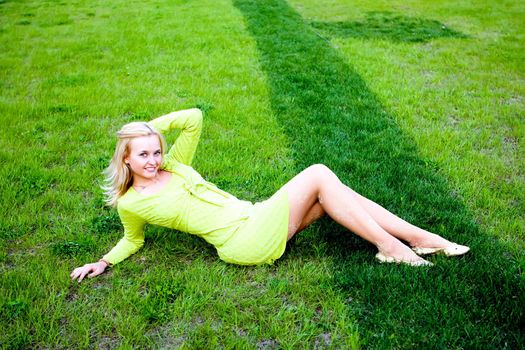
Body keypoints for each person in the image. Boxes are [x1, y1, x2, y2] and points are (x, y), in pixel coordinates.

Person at [71, 108, 469, 282]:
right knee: (318, 174)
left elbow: (193, 118)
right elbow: (133, 238)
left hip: (254, 215)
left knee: (338, 194)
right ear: (124, 157)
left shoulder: (174, 163)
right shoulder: (130, 202)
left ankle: (421, 239)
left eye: (156, 150)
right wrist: (103, 261)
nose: (154, 160)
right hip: (241, 242)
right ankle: (393, 247)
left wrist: (144, 129)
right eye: (142, 154)